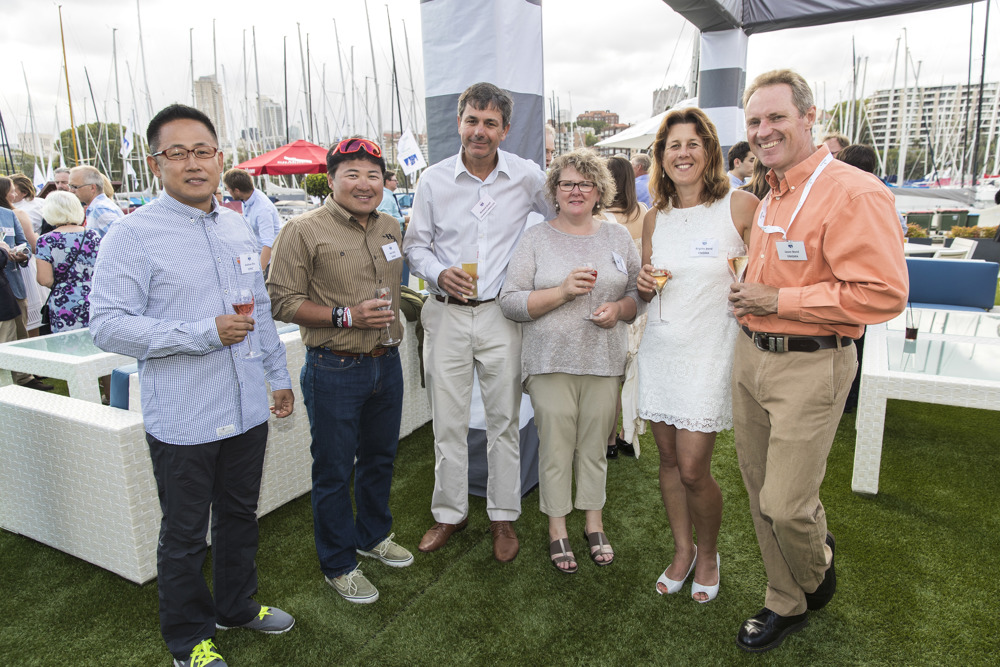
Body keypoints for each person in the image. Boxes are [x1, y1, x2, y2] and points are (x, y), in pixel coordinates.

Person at [90, 104, 296, 667]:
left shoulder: (237, 223)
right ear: (156, 163)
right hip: (184, 417)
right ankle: (187, 638)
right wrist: (202, 333)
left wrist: (277, 377)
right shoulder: (131, 235)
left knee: (238, 516)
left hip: (247, 405)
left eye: (202, 150)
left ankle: (236, 606)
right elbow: (107, 324)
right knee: (184, 535)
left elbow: (257, 312)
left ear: (220, 157)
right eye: (177, 153)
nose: (193, 163)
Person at [729, 70, 907, 652]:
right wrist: (752, 294)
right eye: (755, 121)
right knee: (760, 493)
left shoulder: (853, 191)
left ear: (809, 118)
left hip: (812, 362)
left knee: (786, 503)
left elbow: (882, 293)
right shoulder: (772, 190)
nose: (763, 130)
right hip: (751, 355)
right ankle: (785, 598)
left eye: (776, 117)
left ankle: (815, 573)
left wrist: (780, 300)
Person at [403, 81, 551, 563]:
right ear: (459, 124)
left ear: (505, 130)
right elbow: (414, 245)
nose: (480, 131)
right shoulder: (433, 180)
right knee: (447, 419)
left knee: (504, 420)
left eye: (490, 123)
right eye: (472, 120)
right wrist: (435, 271)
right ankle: (449, 513)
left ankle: (503, 517)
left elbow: (562, 218)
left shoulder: (528, 177)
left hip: (500, 316)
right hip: (445, 314)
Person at [267, 137, 411, 605]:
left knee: (380, 459)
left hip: (386, 364)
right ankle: (338, 563)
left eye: (373, 175)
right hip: (335, 368)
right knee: (332, 470)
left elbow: (397, 289)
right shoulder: (302, 230)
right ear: (330, 180)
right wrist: (346, 315)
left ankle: (372, 537)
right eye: (352, 174)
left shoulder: (391, 226)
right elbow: (281, 301)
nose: (364, 184)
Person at [635, 107, 758, 605]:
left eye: (692, 143)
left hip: (710, 351)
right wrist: (643, 285)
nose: (682, 153)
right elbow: (648, 288)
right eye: (672, 146)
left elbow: (764, 277)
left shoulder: (741, 206)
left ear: (709, 151)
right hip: (661, 349)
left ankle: (709, 554)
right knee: (666, 460)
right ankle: (682, 551)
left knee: (692, 468)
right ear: (661, 159)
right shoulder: (653, 218)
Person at [499, 149, 640, 573]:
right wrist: (562, 292)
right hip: (549, 361)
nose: (576, 191)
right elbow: (510, 302)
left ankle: (593, 522)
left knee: (595, 447)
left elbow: (637, 295)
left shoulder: (618, 237)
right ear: (554, 192)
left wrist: (619, 311)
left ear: (599, 191)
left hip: (604, 360)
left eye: (585, 183)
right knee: (557, 448)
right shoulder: (537, 238)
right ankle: (557, 527)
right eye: (567, 184)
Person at [602, 155, 647, 459]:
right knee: (634, 376)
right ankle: (627, 435)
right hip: (640, 306)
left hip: (614, 304)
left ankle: (608, 441)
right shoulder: (645, 212)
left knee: (610, 380)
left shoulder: (600, 219)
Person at [0, 177, 49, 390]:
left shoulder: (9, 215)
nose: (12, 194)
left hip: (13, 283)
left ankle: (24, 378)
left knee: (20, 332)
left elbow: (24, 243)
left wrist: (22, 254)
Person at [34, 191, 100, 332]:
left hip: (64, 301)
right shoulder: (93, 235)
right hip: (94, 298)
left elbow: (44, 279)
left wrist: (64, 285)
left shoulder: (46, 240)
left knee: (67, 348)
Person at [223, 168, 279, 271]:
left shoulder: (263, 209)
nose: (227, 192)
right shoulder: (247, 199)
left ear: (237, 190)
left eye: (228, 189)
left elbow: (268, 244)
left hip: (268, 264)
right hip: (254, 258)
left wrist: (260, 273)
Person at [68, 165, 123, 238]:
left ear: (92, 188)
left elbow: (123, 236)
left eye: (75, 187)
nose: (71, 191)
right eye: (70, 186)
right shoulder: (99, 207)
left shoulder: (100, 209)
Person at [376, 170, 410, 286]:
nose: (397, 182)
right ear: (387, 181)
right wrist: (404, 219)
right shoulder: (386, 198)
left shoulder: (388, 196)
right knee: (397, 266)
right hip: (390, 237)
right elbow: (386, 219)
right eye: (395, 180)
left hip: (394, 235)